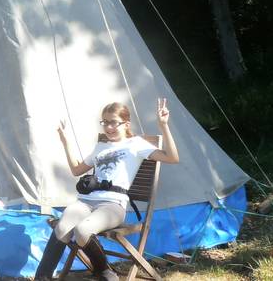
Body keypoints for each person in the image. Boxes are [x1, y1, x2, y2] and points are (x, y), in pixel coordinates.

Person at [35, 98, 180, 281]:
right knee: (62, 228)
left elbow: (173, 158)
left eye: (113, 122)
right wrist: (66, 142)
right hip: (86, 201)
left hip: (113, 205)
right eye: (105, 122)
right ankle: (42, 278)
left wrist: (164, 125)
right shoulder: (101, 146)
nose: (109, 127)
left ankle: (105, 273)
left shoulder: (136, 144)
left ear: (126, 124)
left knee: (82, 230)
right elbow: (77, 170)